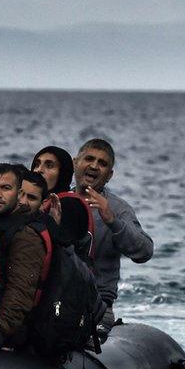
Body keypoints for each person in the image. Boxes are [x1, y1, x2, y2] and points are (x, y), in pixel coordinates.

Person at [72, 139, 153, 328]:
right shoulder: (58, 200)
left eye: (102, 163)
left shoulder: (117, 209)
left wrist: (112, 221)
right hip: (55, 304)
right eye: (89, 159)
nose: (94, 166)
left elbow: (145, 252)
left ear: (109, 175)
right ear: (76, 162)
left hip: (97, 309)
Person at [0, 163, 47, 351]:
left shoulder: (25, 234)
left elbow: (21, 290)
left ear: (18, 193)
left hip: (14, 333)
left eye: (5, 188)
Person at [31, 145, 93, 253]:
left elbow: (67, 252)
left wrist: (51, 224)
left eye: (49, 166)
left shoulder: (69, 205)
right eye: (36, 165)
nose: (39, 170)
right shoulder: (38, 202)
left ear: (63, 173)